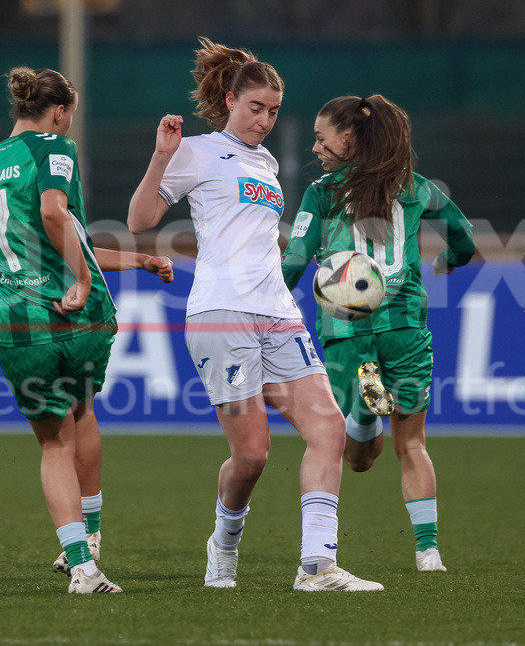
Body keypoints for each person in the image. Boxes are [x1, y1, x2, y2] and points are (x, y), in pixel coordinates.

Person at [127, 38, 383, 592]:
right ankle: (224, 541)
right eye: (255, 108)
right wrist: (161, 156)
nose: (265, 120)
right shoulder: (194, 151)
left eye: (273, 111)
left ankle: (317, 567)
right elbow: (140, 218)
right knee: (252, 456)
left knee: (329, 429)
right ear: (230, 100)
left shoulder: (265, 161)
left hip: (279, 315)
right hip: (222, 315)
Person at [0, 66, 174, 595]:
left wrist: (136, 261)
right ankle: (93, 541)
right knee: (83, 410)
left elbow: (60, 234)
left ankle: (81, 562)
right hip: (74, 315)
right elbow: (54, 213)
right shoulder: (54, 149)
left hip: (18, 318)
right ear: (60, 111)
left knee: (51, 444)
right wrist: (85, 280)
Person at [281, 94, 475, 573]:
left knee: (357, 458)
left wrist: (262, 303)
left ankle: (364, 420)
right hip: (405, 325)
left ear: (348, 139)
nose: (316, 147)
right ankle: (428, 552)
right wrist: (449, 259)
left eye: (321, 138)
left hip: (346, 325)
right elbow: (464, 237)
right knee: (413, 443)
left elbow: (296, 260)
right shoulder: (417, 188)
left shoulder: (322, 192)